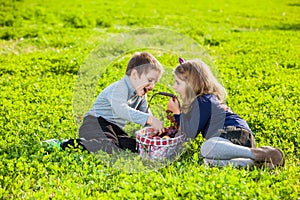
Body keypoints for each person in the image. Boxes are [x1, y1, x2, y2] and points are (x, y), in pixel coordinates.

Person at [166, 58, 285, 168]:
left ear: (191, 85)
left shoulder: (204, 101)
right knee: (208, 161)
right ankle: (256, 163)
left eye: (178, 83)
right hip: (228, 143)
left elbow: (190, 132)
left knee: (207, 147)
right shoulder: (202, 101)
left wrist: (177, 113)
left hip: (235, 133)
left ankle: (257, 153)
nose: (174, 87)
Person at [44, 52, 164, 154]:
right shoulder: (120, 87)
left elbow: (146, 112)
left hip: (114, 129)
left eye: (155, 82)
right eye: (149, 80)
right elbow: (121, 110)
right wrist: (149, 119)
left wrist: (154, 130)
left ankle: (114, 143)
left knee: (134, 145)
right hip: (95, 123)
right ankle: (63, 144)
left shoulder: (141, 93)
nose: (152, 86)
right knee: (108, 145)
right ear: (134, 75)